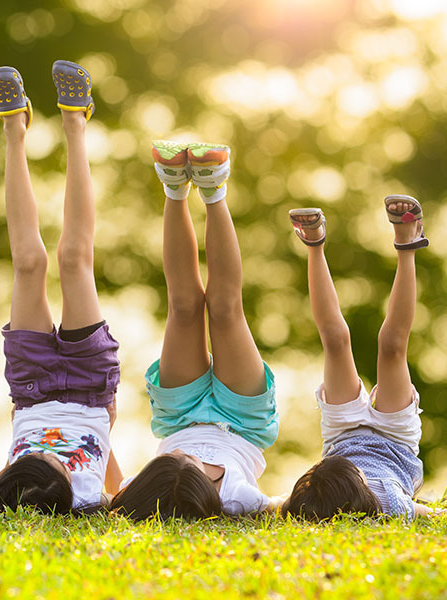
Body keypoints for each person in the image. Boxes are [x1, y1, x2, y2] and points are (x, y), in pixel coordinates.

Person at [110, 140, 281, 521]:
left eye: (169, 458)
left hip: (178, 414)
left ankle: (174, 187)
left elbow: (107, 490)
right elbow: (291, 506)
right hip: (243, 421)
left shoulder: (141, 490)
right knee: (225, 309)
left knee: (184, 306)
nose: (183, 454)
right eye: (184, 460)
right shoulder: (238, 498)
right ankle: (214, 189)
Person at [0, 61, 121, 514]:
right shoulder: (85, 499)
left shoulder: (5, 496)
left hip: (32, 387)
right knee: (74, 259)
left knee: (28, 263)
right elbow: (121, 491)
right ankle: (75, 122)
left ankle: (14, 127)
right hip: (88, 386)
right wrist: (108, 422)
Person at [283, 197, 447, 520]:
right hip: (395, 443)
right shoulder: (392, 503)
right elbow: (430, 514)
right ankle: (408, 241)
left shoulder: (314, 505)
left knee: (336, 341)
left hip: (342, 436)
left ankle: (314, 243)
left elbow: (277, 504)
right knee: (392, 346)